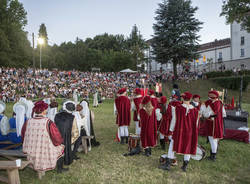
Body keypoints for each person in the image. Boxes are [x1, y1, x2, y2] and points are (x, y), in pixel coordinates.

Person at [159, 92, 199, 172]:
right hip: (190, 132)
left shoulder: (178, 108)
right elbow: (196, 124)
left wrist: (171, 129)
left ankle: (167, 165)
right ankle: (184, 166)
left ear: (183, 98)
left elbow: (174, 120)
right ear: (190, 99)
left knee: (172, 147)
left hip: (179, 131)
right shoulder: (195, 110)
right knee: (187, 148)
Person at [22, 101, 65, 173]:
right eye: (46, 109)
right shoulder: (48, 122)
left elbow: (23, 135)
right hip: (44, 148)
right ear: (43, 110)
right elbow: (56, 137)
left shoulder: (28, 121)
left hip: (30, 148)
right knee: (61, 148)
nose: (46, 110)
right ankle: (59, 169)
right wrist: (59, 142)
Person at [202, 90, 226, 161]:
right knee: (215, 140)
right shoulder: (220, 103)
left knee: (212, 139)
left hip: (213, 124)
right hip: (218, 122)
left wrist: (206, 115)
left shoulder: (214, 104)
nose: (210, 98)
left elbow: (206, 115)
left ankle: (213, 156)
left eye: (212, 97)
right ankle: (213, 154)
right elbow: (224, 114)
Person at [54, 100, 79, 165]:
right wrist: (72, 140)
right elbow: (75, 131)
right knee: (67, 148)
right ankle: (66, 160)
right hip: (67, 136)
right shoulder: (72, 117)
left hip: (57, 136)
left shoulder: (57, 115)